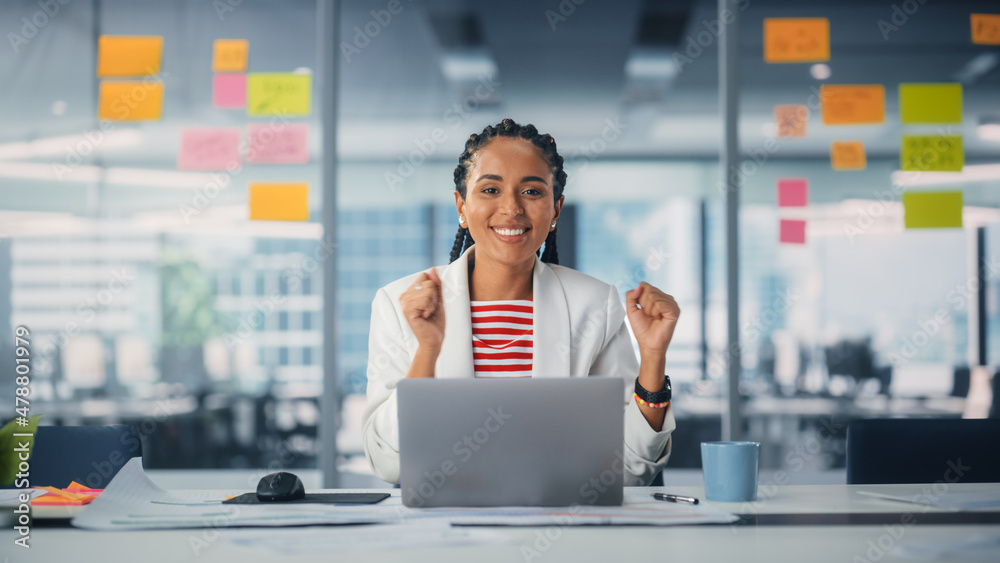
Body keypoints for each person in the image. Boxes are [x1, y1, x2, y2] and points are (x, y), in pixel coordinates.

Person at [362, 119, 679, 486]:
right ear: (461, 207)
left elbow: (629, 469)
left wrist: (653, 358)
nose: (511, 208)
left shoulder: (594, 305)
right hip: (445, 529)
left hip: (560, 526)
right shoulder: (398, 304)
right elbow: (389, 462)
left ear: (556, 210)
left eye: (531, 192)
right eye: (491, 189)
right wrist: (427, 351)